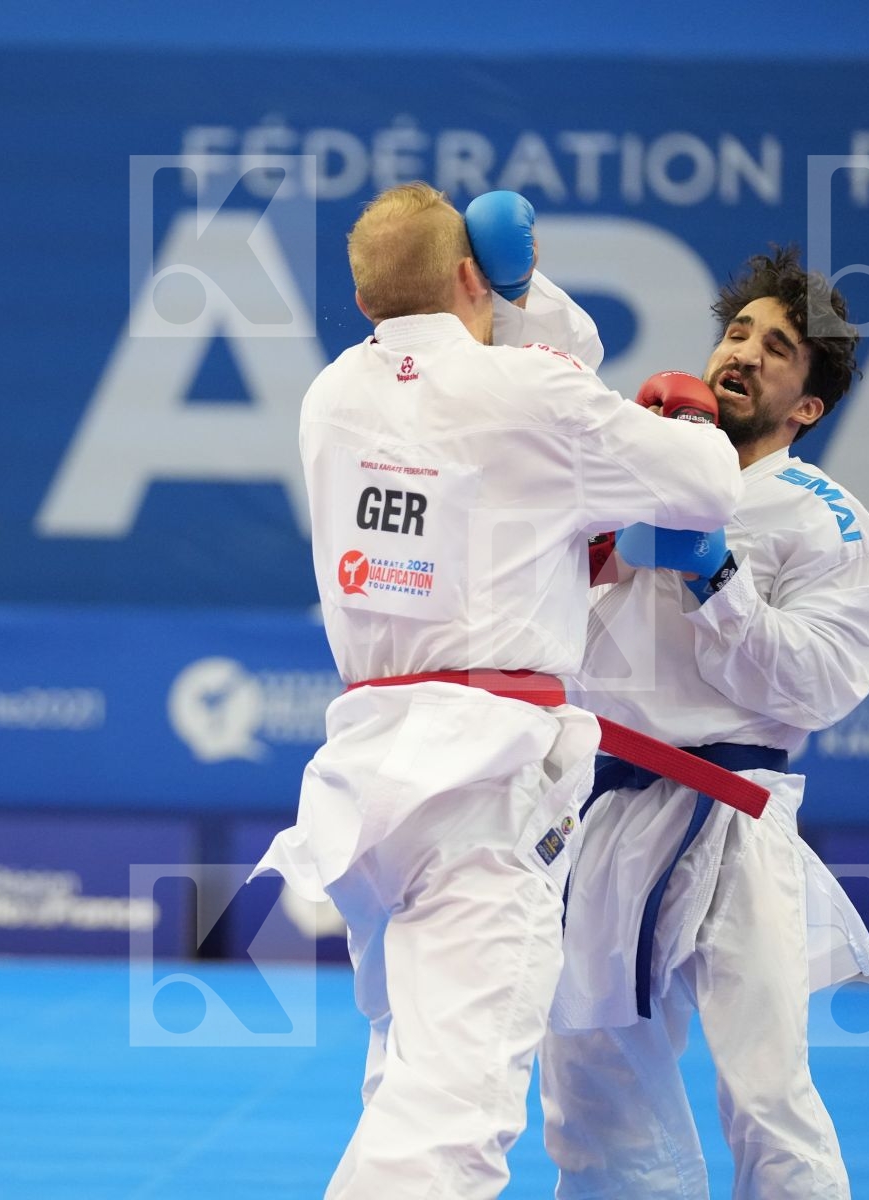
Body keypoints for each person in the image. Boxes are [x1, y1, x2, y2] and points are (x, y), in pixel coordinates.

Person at [254, 184, 743, 1200]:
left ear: (361, 302)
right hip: (485, 782)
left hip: (368, 779)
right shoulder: (527, 390)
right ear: (476, 276)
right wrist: (689, 417)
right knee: (457, 1113)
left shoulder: (332, 399)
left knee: (405, 1079)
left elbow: (488, 501)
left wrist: (577, 548)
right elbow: (704, 486)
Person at [542, 246, 869, 1199]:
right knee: (590, 1090)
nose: (743, 354)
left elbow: (824, 683)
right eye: (737, 333)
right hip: (604, 809)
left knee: (767, 1092)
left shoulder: (827, 521)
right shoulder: (625, 469)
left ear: (807, 407)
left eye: (777, 349)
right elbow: (535, 618)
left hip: (735, 815)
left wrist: (720, 579)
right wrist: (581, 554)